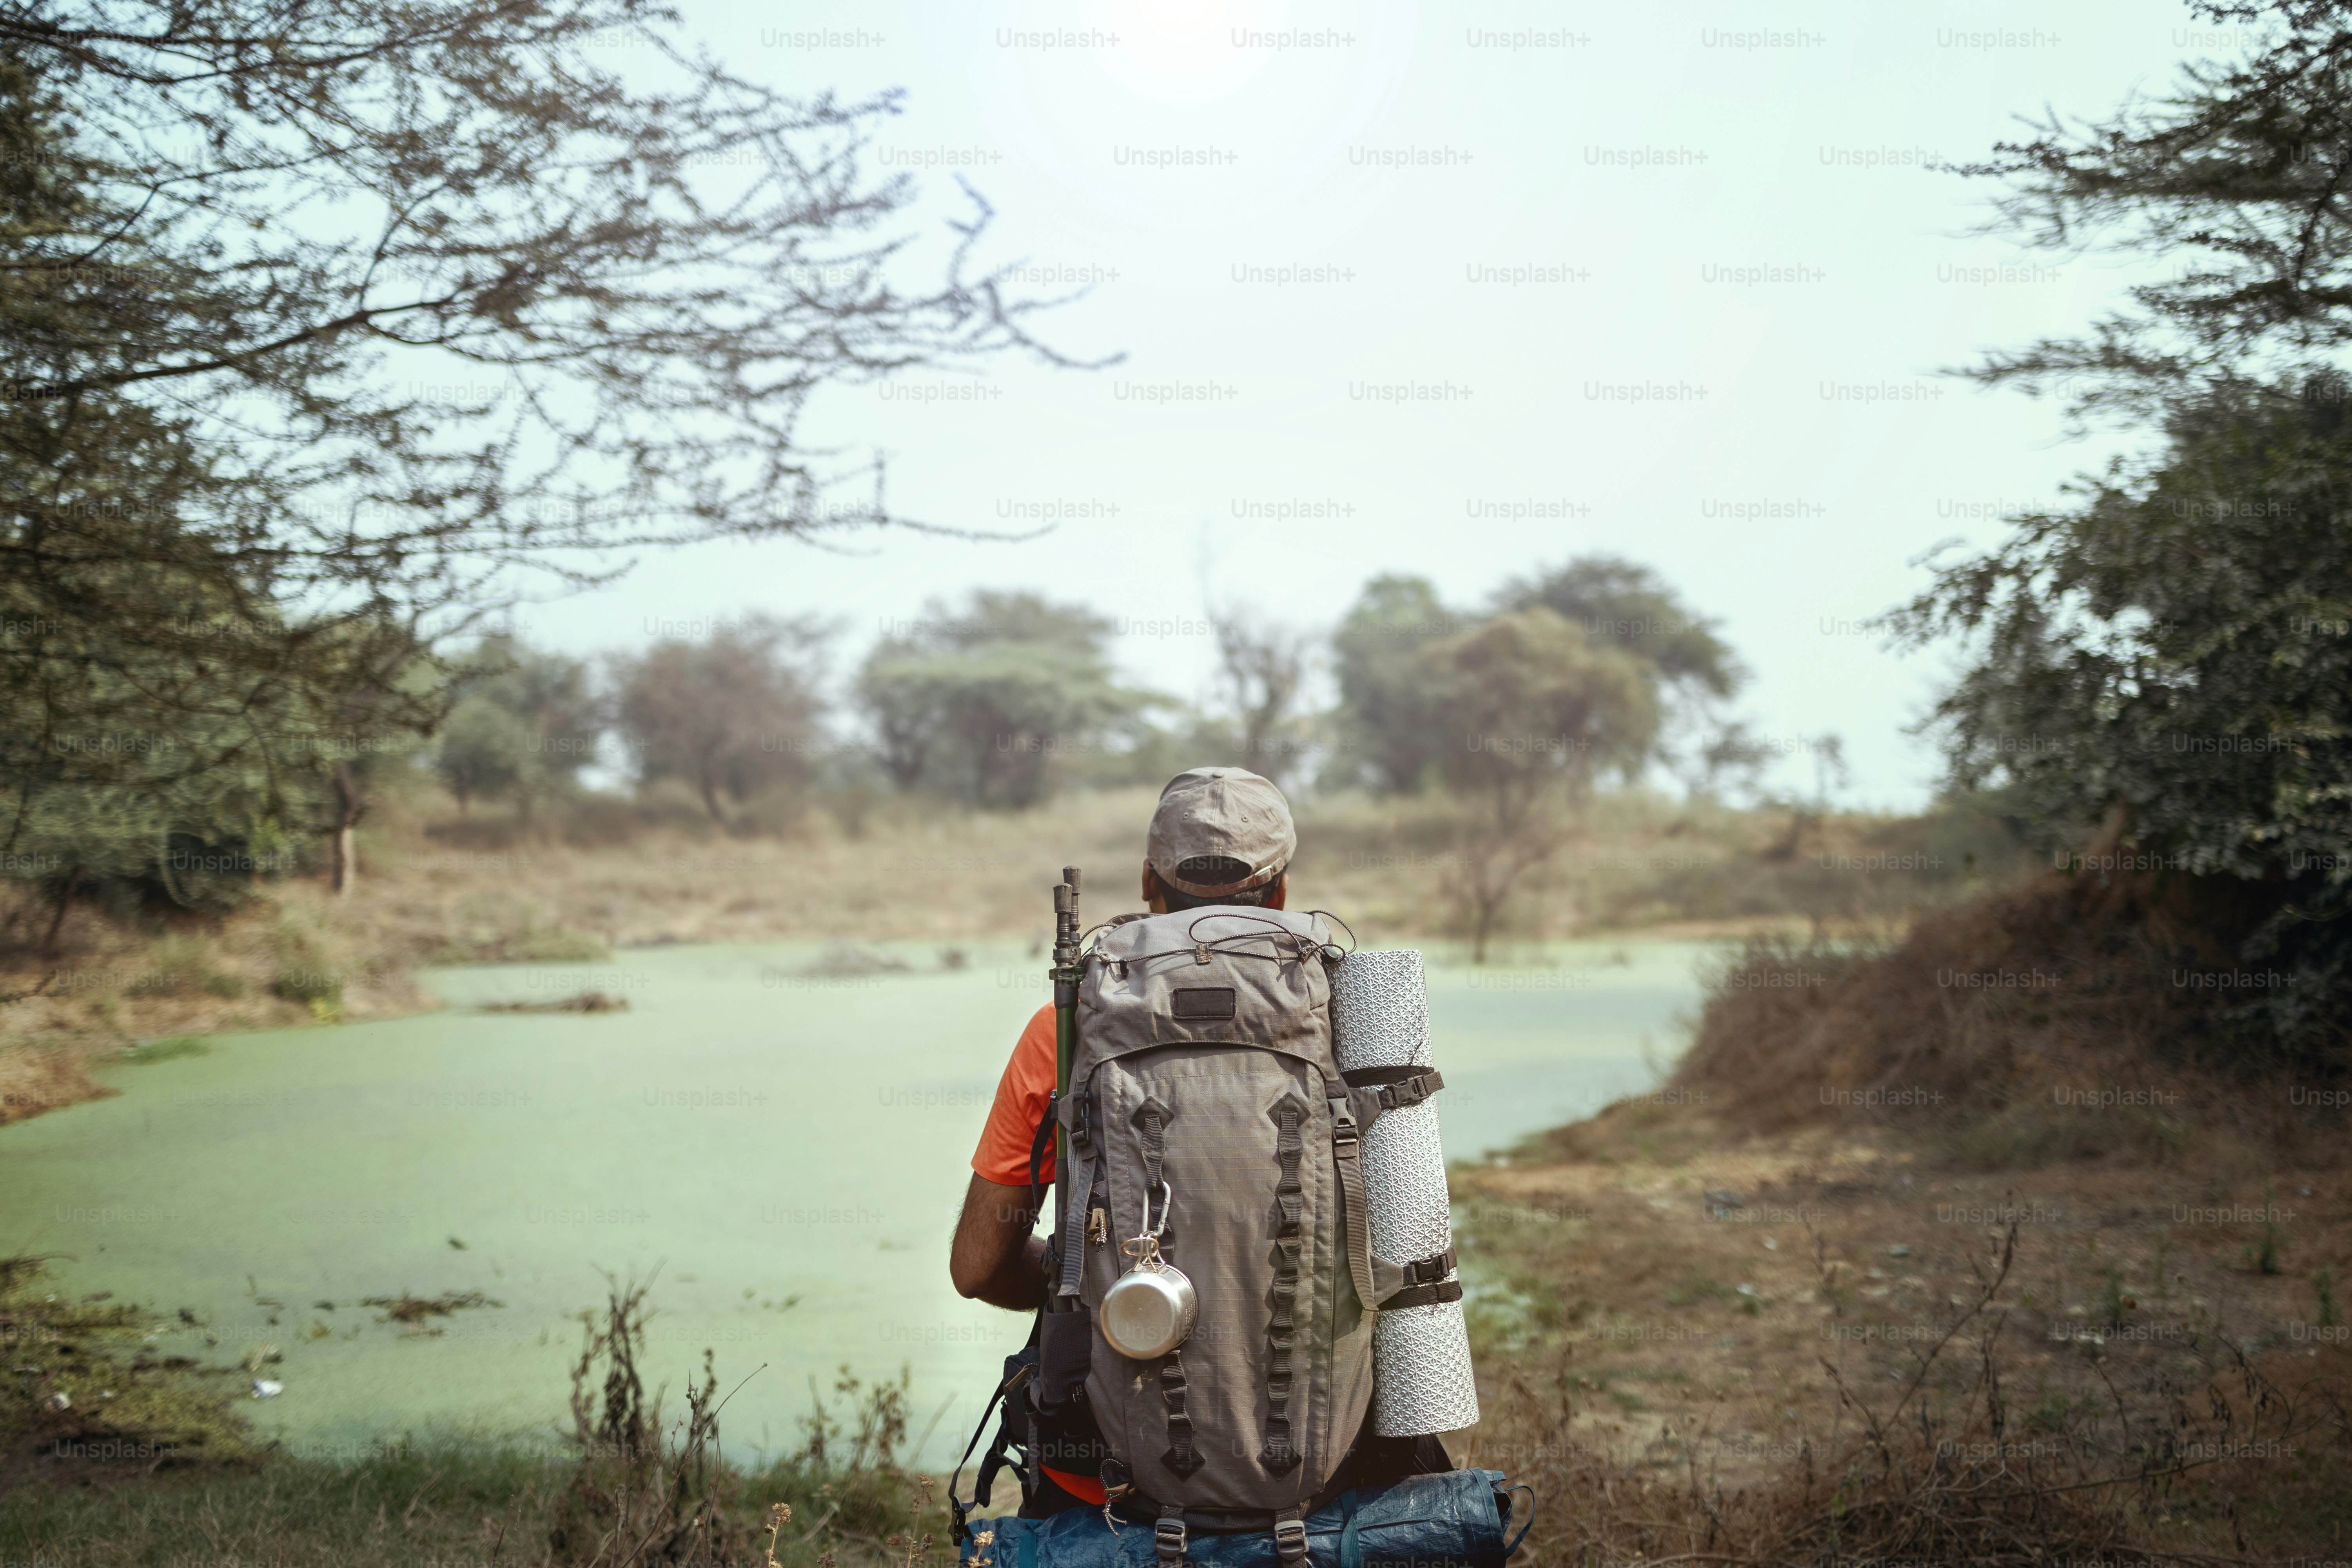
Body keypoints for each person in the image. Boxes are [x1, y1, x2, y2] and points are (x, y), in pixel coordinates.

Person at [949, 766, 1450, 1519]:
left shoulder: (1064, 1027)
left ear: (1148, 879)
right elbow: (1413, 1247)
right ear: (1280, 893)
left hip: (1108, 1480)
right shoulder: (1365, 1013)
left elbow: (977, 1266)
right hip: (1342, 1467)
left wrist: (1075, 1281)